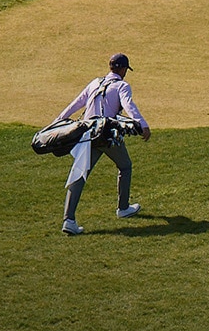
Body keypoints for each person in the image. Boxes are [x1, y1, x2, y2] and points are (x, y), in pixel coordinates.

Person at [51, 53, 152, 235]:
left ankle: (69, 219)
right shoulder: (122, 85)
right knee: (125, 166)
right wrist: (142, 125)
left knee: (80, 174)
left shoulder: (95, 82)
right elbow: (128, 106)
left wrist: (59, 120)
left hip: (87, 135)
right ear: (122, 69)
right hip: (107, 134)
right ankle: (123, 208)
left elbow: (77, 103)